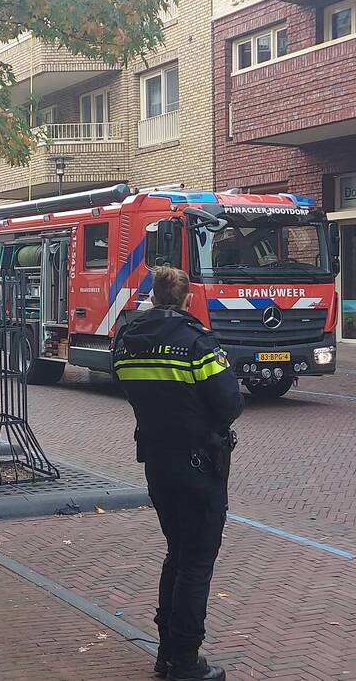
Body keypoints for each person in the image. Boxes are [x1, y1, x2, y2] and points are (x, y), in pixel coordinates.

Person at [112, 267, 244, 681]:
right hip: (199, 466)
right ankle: (185, 662)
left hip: (156, 462)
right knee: (196, 562)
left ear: (152, 298)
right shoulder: (197, 342)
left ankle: (165, 654)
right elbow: (229, 405)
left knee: (177, 553)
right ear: (187, 300)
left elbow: (127, 385)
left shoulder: (128, 343)